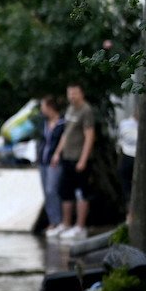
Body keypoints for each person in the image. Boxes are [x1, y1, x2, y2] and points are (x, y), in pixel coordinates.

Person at [52, 83, 96, 240]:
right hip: (67, 157)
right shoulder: (69, 110)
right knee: (66, 192)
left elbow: (90, 136)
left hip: (80, 158)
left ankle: (80, 226)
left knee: (82, 193)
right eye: (69, 93)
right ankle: (66, 223)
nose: (72, 96)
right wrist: (57, 153)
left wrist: (83, 159)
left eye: (75, 93)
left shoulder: (86, 110)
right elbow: (66, 134)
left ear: (81, 93)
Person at [38, 95, 67, 237]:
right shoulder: (44, 123)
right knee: (46, 191)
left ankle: (58, 220)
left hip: (54, 161)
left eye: (43, 107)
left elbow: (63, 139)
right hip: (43, 160)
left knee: (52, 189)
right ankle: (52, 221)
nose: (41, 110)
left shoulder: (62, 123)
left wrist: (57, 153)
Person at [118, 107, 137, 218]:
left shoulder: (125, 124)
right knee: (129, 190)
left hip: (127, 155)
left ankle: (130, 215)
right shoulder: (126, 124)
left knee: (128, 190)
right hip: (129, 156)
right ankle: (131, 215)